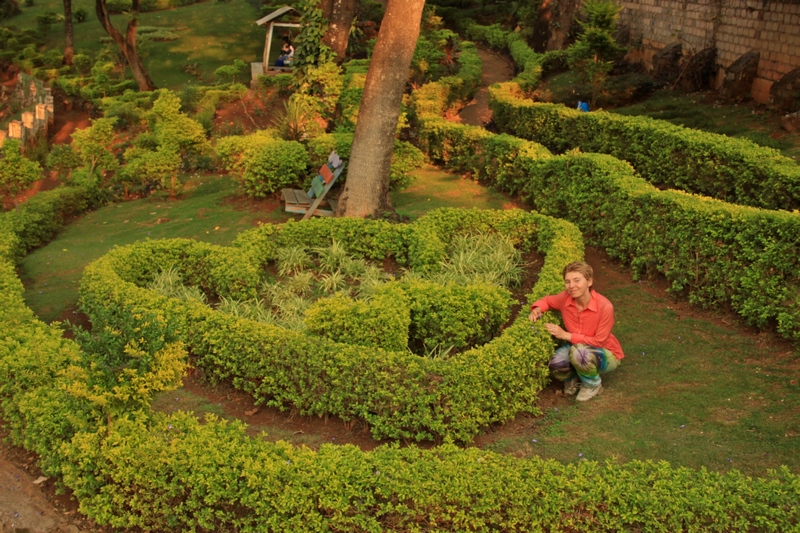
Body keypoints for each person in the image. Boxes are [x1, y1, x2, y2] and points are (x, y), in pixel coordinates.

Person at [529, 261, 624, 401]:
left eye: (576, 280)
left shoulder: (605, 307)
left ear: (589, 282)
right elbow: (548, 301)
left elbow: (599, 342)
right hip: (577, 348)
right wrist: (537, 309)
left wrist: (565, 335)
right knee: (556, 363)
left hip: (605, 353)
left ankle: (593, 385)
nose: (571, 286)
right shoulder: (565, 299)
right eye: (568, 281)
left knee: (580, 352)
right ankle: (574, 380)